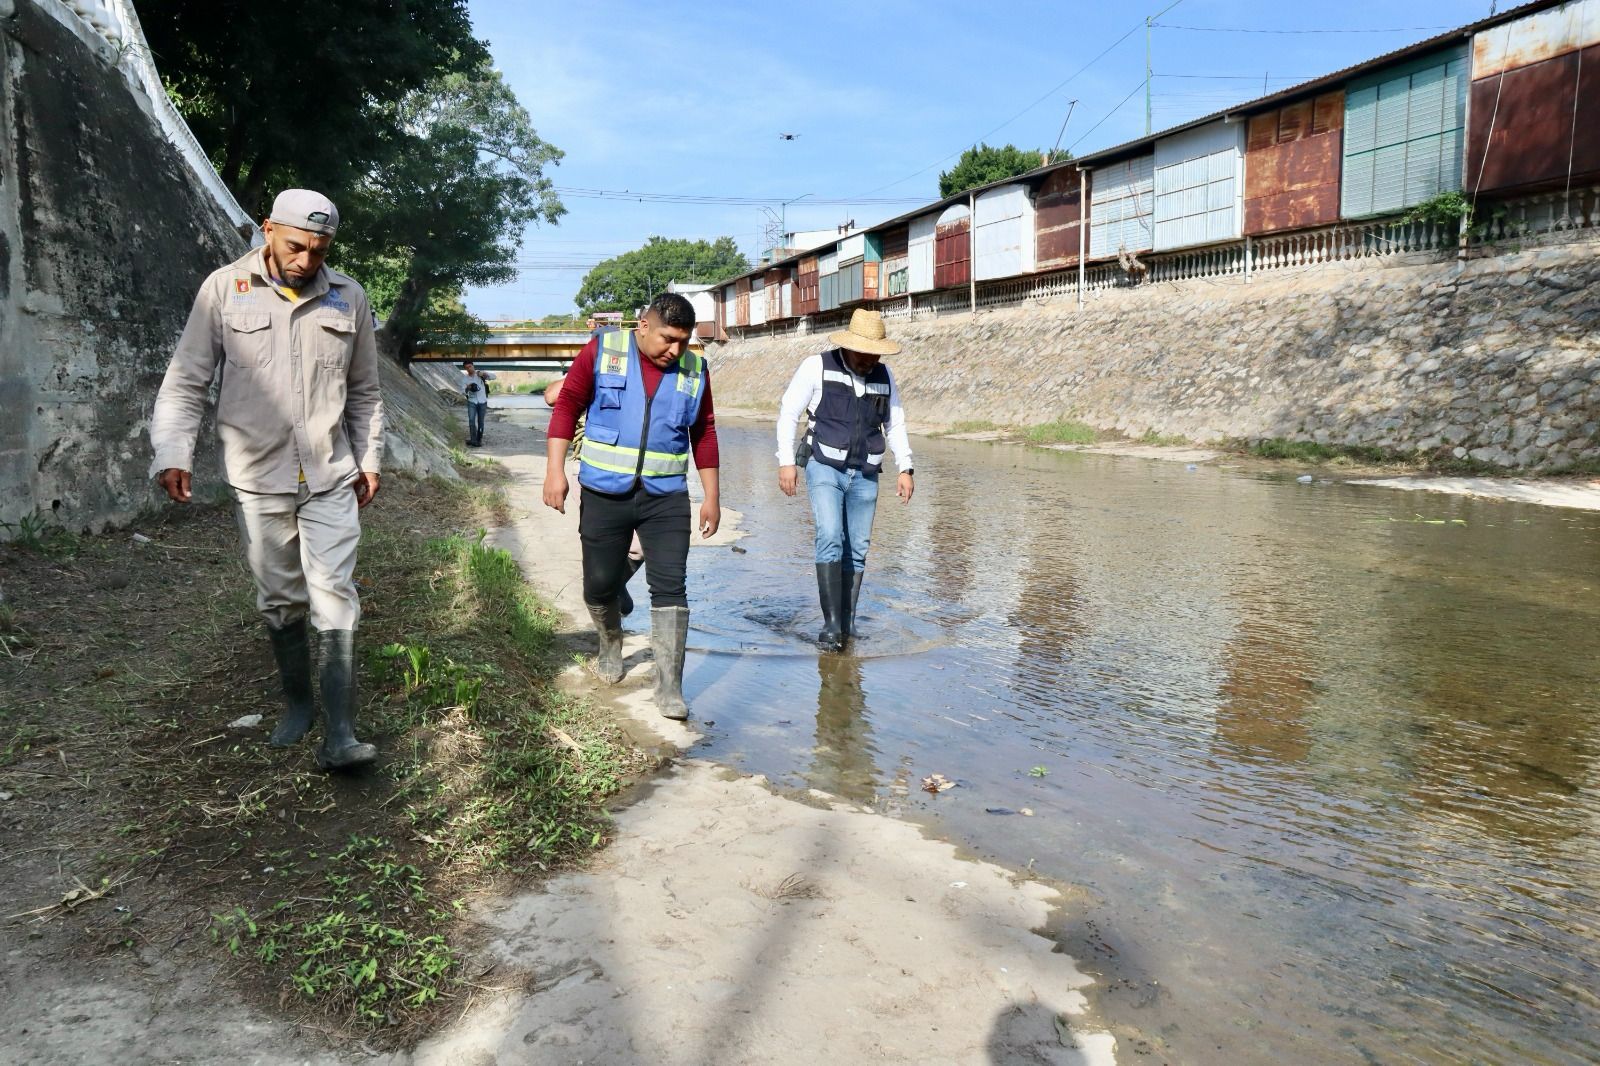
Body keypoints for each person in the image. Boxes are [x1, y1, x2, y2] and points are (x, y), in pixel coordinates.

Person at [149, 189, 383, 771]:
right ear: (267, 230)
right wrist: (172, 450)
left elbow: (366, 392)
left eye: (321, 249)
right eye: (298, 246)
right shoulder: (225, 289)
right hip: (257, 476)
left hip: (330, 473)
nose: (308, 260)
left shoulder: (348, 297)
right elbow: (186, 379)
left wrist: (370, 457)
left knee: (336, 595)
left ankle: (341, 734)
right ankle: (298, 704)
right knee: (280, 598)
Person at [543, 293, 720, 719]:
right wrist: (554, 471)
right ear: (644, 325)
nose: (675, 350)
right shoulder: (604, 351)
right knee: (600, 584)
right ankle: (610, 642)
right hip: (605, 492)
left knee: (671, 587)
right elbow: (566, 404)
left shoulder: (695, 370)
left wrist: (712, 496)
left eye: (683, 341)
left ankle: (669, 688)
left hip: (667, 497)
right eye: (667, 339)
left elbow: (705, 432)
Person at [776, 308, 914, 652]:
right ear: (849, 346)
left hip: (866, 472)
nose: (870, 359)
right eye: (864, 353)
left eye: (875, 353)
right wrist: (785, 462)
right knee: (830, 536)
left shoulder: (884, 375)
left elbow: (894, 424)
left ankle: (848, 623)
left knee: (859, 549)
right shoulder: (817, 366)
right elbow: (789, 412)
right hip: (824, 466)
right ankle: (832, 625)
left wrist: (905, 467)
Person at [461, 360, 495, 446]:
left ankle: (479, 440)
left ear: (473, 366)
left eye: (470, 367)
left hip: (483, 402)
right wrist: (468, 388)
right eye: (467, 368)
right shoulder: (465, 378)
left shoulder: (480, 374)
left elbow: (494, 377)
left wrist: (484, 374)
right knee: (471, 420)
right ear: (465, 369)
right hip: (472, 401)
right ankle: (473, 440)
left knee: (481, 422)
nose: (469, 369)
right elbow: (463, 391)